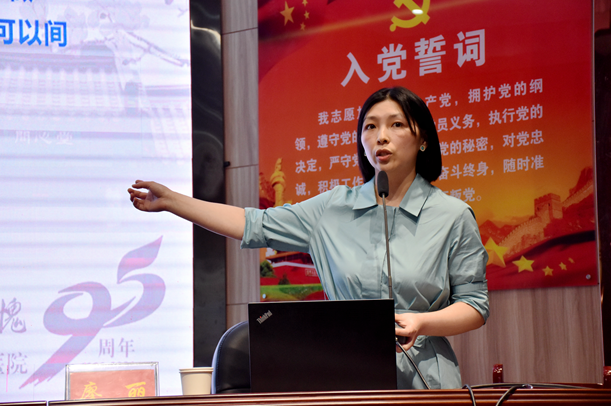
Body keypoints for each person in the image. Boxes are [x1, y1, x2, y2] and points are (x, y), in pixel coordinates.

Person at [128, 86, 489, 389]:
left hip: (426, 381)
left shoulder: (452, 215)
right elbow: (252, 223)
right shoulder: (332, 209)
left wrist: (422, 322)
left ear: (422, 138)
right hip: (346, 378)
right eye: (370, 126)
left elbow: (474, 305)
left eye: (396, 124)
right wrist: (173, 201)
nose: (381, 136)